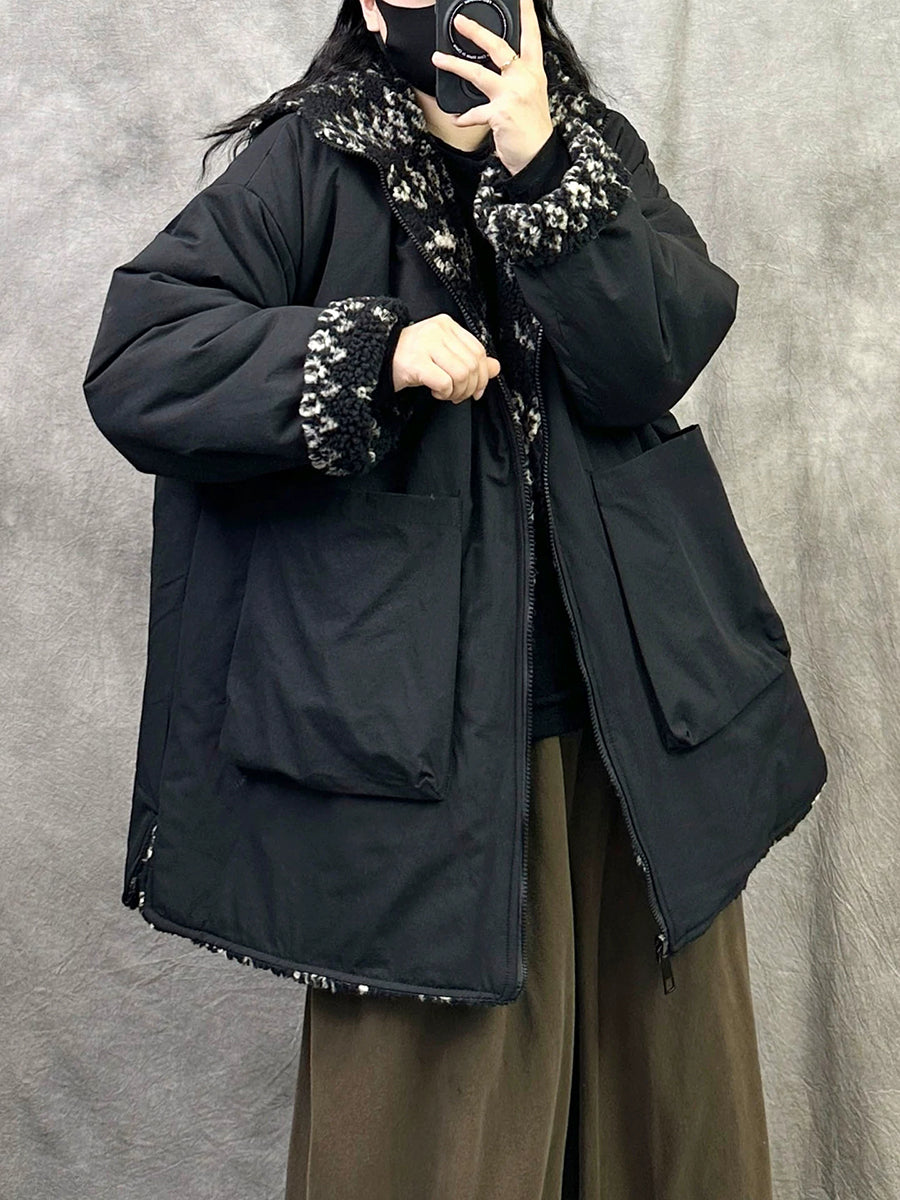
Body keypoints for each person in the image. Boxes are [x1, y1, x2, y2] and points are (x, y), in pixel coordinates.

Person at [82, 0, 828, 1195]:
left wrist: (545, 173)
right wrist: (368, 351)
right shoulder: (313, 160)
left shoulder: (589, 145)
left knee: (672, 1135)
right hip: (414, 765)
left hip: (638, 741)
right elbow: (139, 360)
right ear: (374, 7)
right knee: (429, 1154)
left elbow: (652, 358)